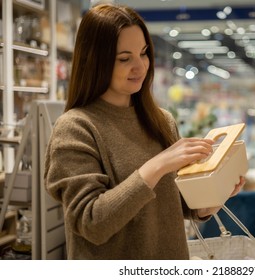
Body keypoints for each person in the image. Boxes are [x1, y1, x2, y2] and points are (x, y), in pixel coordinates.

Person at [44, 3, 244, 260]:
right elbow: (91, 223)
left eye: (144, 53)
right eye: (124, 58)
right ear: (94, 61)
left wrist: (215, 194)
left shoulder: (161, 120)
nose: (140, 66)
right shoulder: (76, 128)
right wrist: (158, 164)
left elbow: (174, 204)